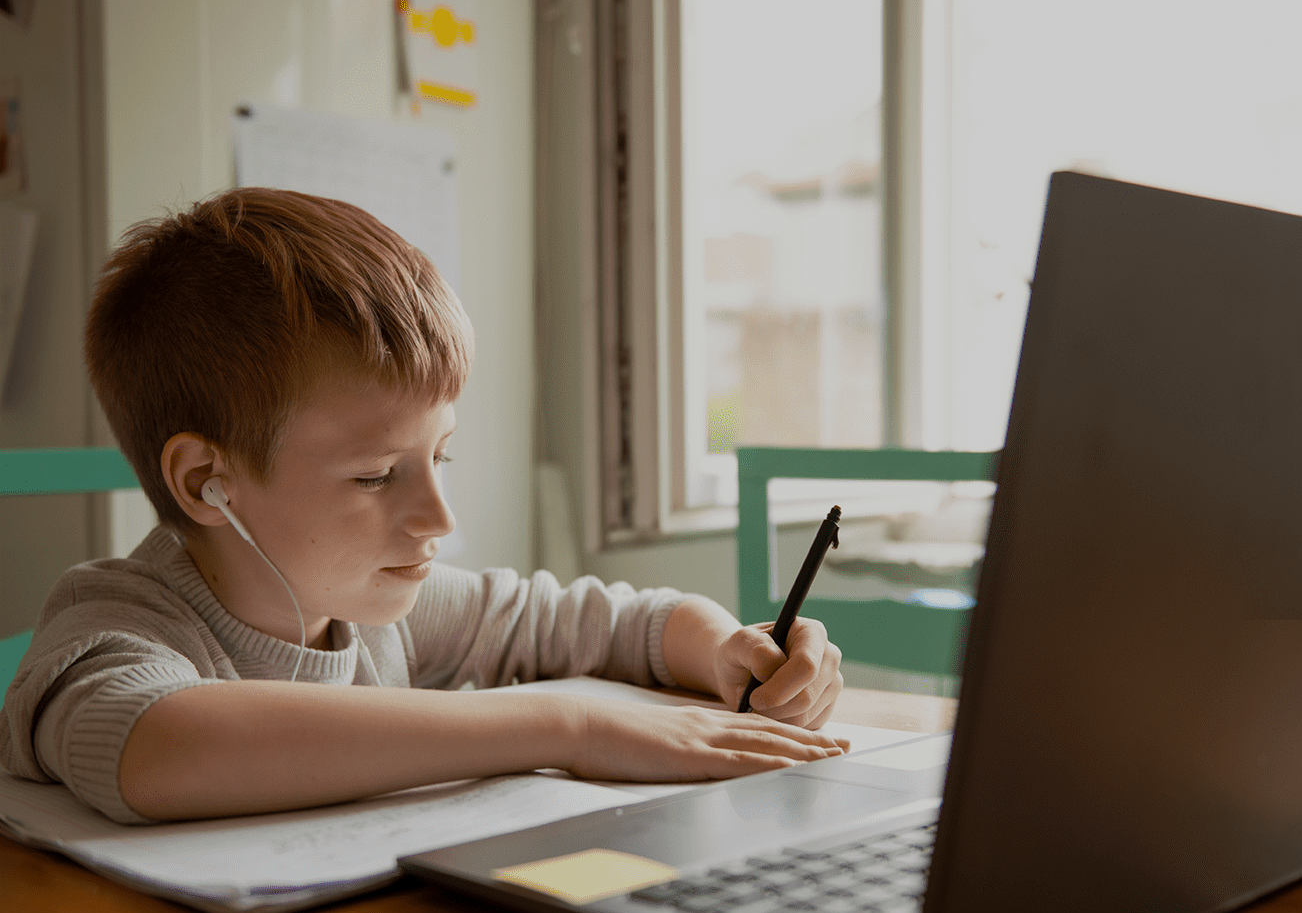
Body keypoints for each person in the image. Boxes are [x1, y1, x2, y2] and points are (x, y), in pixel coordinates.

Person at [0, 189, 844, 824]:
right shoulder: (107, 622)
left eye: (439, 456)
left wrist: (726, 647)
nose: (438, 516)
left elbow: (595, 621)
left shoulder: (372, 608)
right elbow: (161, 745)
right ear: (203, 483)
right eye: (375, 476)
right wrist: (566, 725)